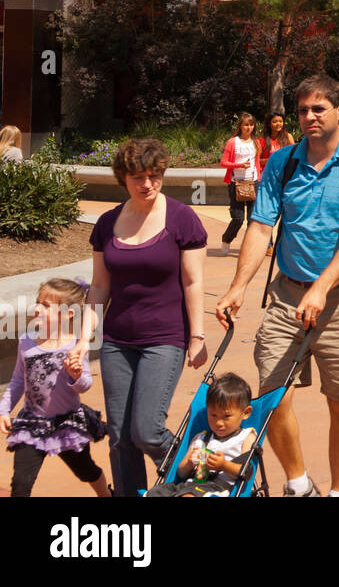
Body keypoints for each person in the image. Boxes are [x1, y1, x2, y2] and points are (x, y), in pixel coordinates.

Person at [215, 74, 339, 498]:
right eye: (303, 111)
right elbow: (259, 227)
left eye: (318, 109)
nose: (309, 117)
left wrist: (323, 286)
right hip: (287, 292)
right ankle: (298, 484)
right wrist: (239, 286)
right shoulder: (283, 162)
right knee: (271, 395)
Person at [88, 137, 208, 496]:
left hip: (164, 338)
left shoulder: (182, 218)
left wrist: (197, 336)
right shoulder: (107, 223)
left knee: (147, 429)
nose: (147, 184)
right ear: (122, 178)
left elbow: (193, 281)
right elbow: (98, 287)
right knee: (120, 437)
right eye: (138, 177)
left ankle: (197, 475)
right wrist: (83, 341)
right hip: (117, 342)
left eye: (155, 175)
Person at [1, 278, 110, 497]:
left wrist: (75, 375)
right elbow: (18, 381)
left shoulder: (75, 345)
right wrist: (4, 409)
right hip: (31, 424)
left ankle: (106, 495)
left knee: (86, 471)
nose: (37, 308)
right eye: (37, 302)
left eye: (46, 305)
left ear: (68, 314)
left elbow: (85, 385)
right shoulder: (26, 342)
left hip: (67, 425)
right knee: (21, 483)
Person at [146, 373, 256, 497]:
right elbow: (181, 473)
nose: (219, 423)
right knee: (155, 492)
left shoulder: (246, 437)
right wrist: (190, 463)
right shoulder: (201, 438)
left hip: (218, 488)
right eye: (213, 415)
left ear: (246, 413)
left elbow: (246, 472)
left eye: (226, 416)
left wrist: (223, 465)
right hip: (190, 484)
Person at [219, 112, 261, 257]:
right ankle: (226, 239)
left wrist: (258, 180)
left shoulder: (256, 142)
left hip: (253, 182)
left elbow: (256, 164)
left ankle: (248, 248)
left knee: (252, 220)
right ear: (241, 126)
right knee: (238, 218)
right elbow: (223, 163)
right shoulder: (233, 142)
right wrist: (239, 165)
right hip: (236, 183)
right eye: (246, 125)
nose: (248, 127)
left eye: (251, 125)